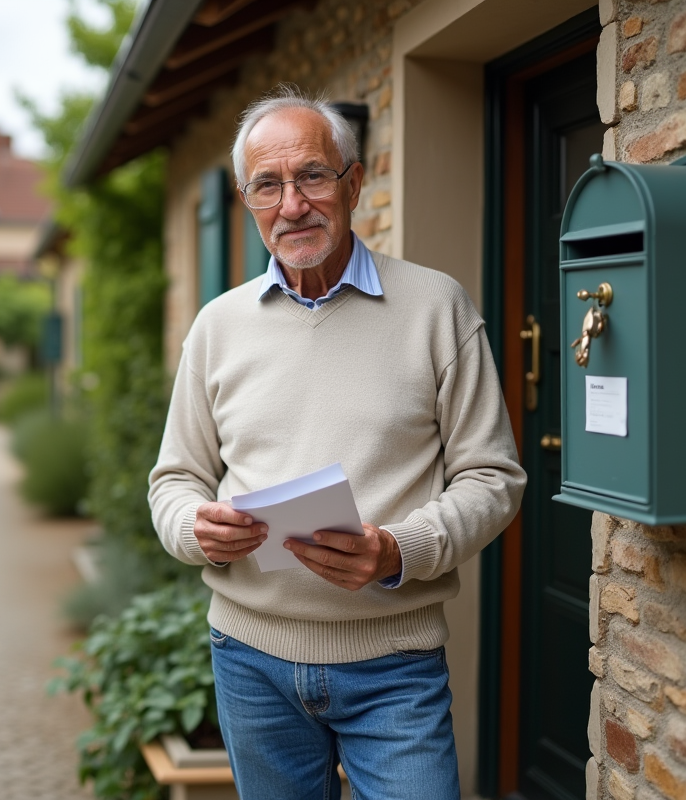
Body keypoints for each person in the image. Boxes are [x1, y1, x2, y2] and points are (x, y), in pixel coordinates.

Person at [147, 85, 526, 800]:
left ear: (353, 184)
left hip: (395, 667)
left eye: (312, 176)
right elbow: (174, 480)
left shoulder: (437, 307)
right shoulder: (217, 326)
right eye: (267, 185)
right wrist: (197, 529)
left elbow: (493, 478)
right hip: (248, 662)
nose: (292, 205)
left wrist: (399, 550)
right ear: (247, 202)